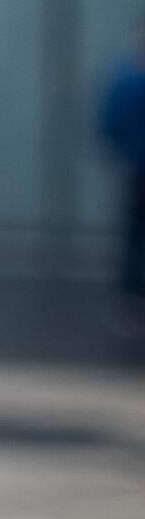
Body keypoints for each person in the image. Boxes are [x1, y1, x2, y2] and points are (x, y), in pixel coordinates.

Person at [101, 17, 145, 327]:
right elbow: (110, 124)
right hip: (137, 168)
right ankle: (130, 296)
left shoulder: (125, 77)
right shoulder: (127, 79)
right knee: (133, 233)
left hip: (134, 166)